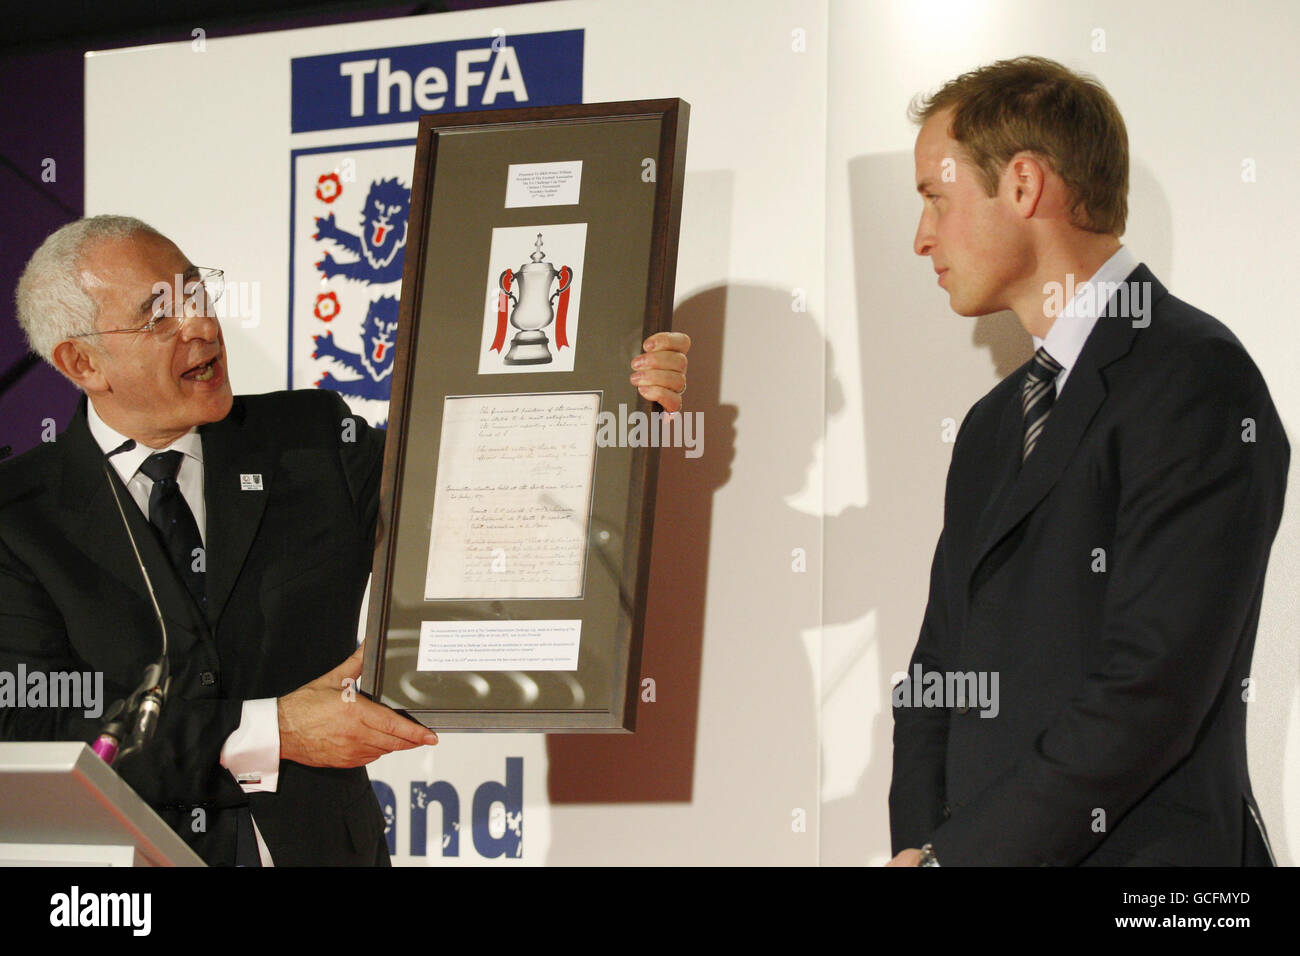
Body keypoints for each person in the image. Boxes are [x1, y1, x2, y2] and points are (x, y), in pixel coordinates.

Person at [0, 216, 689, 865]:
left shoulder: (313, 439)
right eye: (160, 315)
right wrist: (274, 731)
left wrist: (618, 398)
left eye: (198, 294)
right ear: (82, 363)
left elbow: (475, 480)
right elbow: (41, 736)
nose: (203, 324)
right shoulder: (18, 517)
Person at [887, 57, 1288, 866]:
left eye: (936, 196)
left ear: (1024, 185)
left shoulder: (1198, 377)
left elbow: (1150, 693)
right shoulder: (991, 425)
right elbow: (936, 679)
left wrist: (960, 861)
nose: (921, 235)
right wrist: (925, 849)